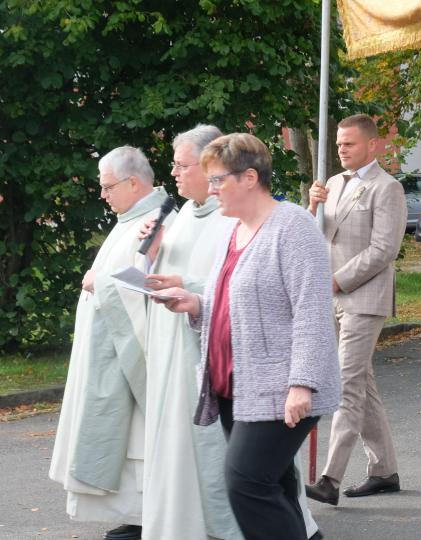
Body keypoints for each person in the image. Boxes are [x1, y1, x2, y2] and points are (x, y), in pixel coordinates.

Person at [155, 133, 340, 539]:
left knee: (247, 484)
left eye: (219, 179)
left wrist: (302, 384)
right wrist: (196, 304)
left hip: (279, 389)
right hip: (235, 388)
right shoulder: (232, 229)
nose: (213, 188)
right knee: (273, 485)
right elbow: (235, 304)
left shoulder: (294, 227)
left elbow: (312, 311)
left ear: (250, 177)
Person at [49, 146, 174, 540]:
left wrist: (98, 281)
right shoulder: (132, 218)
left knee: (138, 440)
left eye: (107, 188)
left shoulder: (159, 218)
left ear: (133, 183)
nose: (102, 195)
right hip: (110, 349)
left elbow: (151, 287)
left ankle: (146, 516)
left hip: (135, 354)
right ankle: (138, 515)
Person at [138, 124, 243, 540]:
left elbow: (232, 285)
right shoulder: (180, 216)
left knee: (215, 448)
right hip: (173, 350)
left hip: (208, 354)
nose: (175, 173)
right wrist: (152, 250)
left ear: (208, 165)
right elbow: (164, 273)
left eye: (182, 165)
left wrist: (186, 285)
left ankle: (229, 524)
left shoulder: (229, 218)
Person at [305, 114, 407, 505]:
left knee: (346, 384)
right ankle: (384, 470)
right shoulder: (331, 184)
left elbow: (384, 249)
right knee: (362, 383)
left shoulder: (387, 188)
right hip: (329, 295)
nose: (341, 150)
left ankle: (330, 479)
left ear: (372, 145)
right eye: (338, 144)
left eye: (348, 144)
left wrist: (337, 280)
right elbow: (318, 236)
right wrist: (311, 204)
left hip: (363, 297)